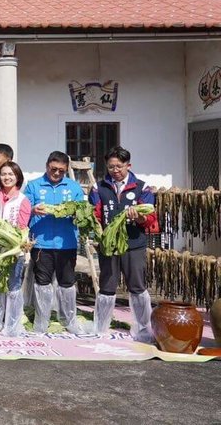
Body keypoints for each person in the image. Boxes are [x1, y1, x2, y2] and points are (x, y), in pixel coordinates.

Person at [89, 146, 157, 342]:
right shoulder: (99, 188)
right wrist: (98, 231)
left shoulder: (142, 188)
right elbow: (95, 214)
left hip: (133, 243)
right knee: (107, 286)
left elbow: (150, 217)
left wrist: (139, 217)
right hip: (109, 246)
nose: (115, 171)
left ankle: (143, 329)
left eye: (119, 166)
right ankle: (101, 328)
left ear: (129, 165)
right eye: (111, 167)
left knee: (137, 286)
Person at [24, 151, 85, 334]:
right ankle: (41, 320)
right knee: (42, 282)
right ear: (46, 166)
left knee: (67, 282)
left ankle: (68, 319)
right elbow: (23, 212)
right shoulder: (34, 186)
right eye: (53, 169)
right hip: (41, 243)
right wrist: (33, 210)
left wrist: (76, 213)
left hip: (67, 243)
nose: (57, 173)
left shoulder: (74, 187)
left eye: (61, 170)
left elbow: (82, 214)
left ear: (66, 169)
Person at [0, 161, 31, 336]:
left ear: (17, 177)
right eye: (3, 174)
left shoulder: (23, 200)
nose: (7, 177)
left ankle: (12, 324)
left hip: (13, 251)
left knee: (13, 286)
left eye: (11, 174)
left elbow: (22, 226)